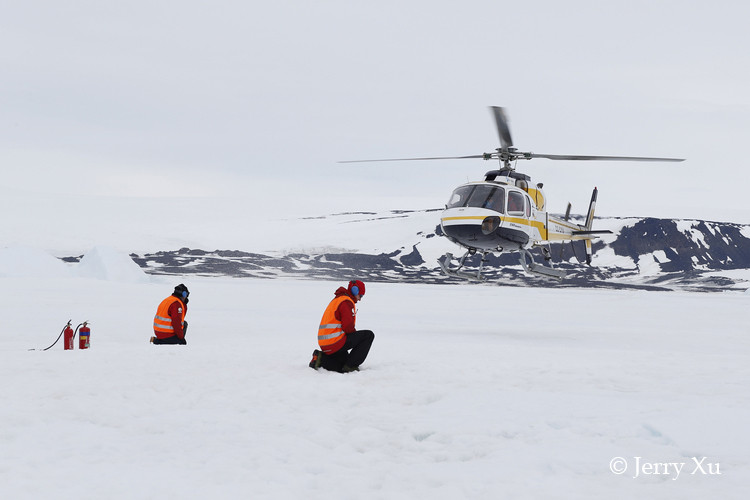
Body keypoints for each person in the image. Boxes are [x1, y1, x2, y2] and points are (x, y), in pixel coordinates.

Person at [309, 280, 374, 373]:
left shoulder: (337, 299)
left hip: (326, 343)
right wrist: (355, 340)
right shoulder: (346, 302)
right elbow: (348, 327)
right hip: (335, 342)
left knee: (343, 363)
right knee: (368, 335)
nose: (360, 299)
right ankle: (351, 366)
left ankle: (320, 359)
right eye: (361, 295)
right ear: (355, 291)